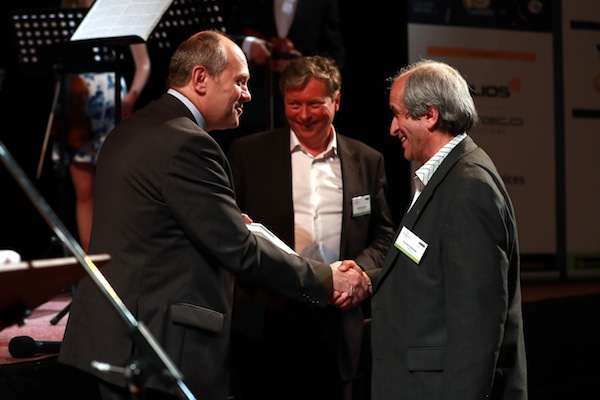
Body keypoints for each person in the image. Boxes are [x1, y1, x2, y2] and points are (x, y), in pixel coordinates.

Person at [57, 30, 371, 400]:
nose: (248, 95)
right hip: (156, 349)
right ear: (201, 78)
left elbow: (156, 227)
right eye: (240, 81)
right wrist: (325, 279)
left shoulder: (129, 128)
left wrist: (224, 223)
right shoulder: (188, 142)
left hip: (111, 341)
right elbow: (239, 251)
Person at [351, 59, 528, 399]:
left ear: (429, 115)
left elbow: (477, 323)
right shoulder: (446, 176)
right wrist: (370, 279)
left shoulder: (469, 187)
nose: (392, 128)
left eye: (397, 114)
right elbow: (427, 266)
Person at [226, 55, 395, 400]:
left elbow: (383, 235)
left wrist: (357, 273)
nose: (304, 115)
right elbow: (231, 235)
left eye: (315, 104)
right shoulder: (248, 154)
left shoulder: (367, 160)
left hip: (339, 325)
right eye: (294, 104)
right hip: (268, 323)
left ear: (337, 101)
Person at [53, 0, 151, 252]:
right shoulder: (68, 11)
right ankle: (90, 261)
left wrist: (130, 98)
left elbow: (143, 63)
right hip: (77, 102)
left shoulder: (117, 8)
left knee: (116, 185)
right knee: (84, 189)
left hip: (110, 100)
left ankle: (119, 255)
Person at [223, 0, 346, 139]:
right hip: (256, 106)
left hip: (306, 107)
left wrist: (301, 64)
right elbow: (225, 35)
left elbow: (335, 54)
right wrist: (249, 45)